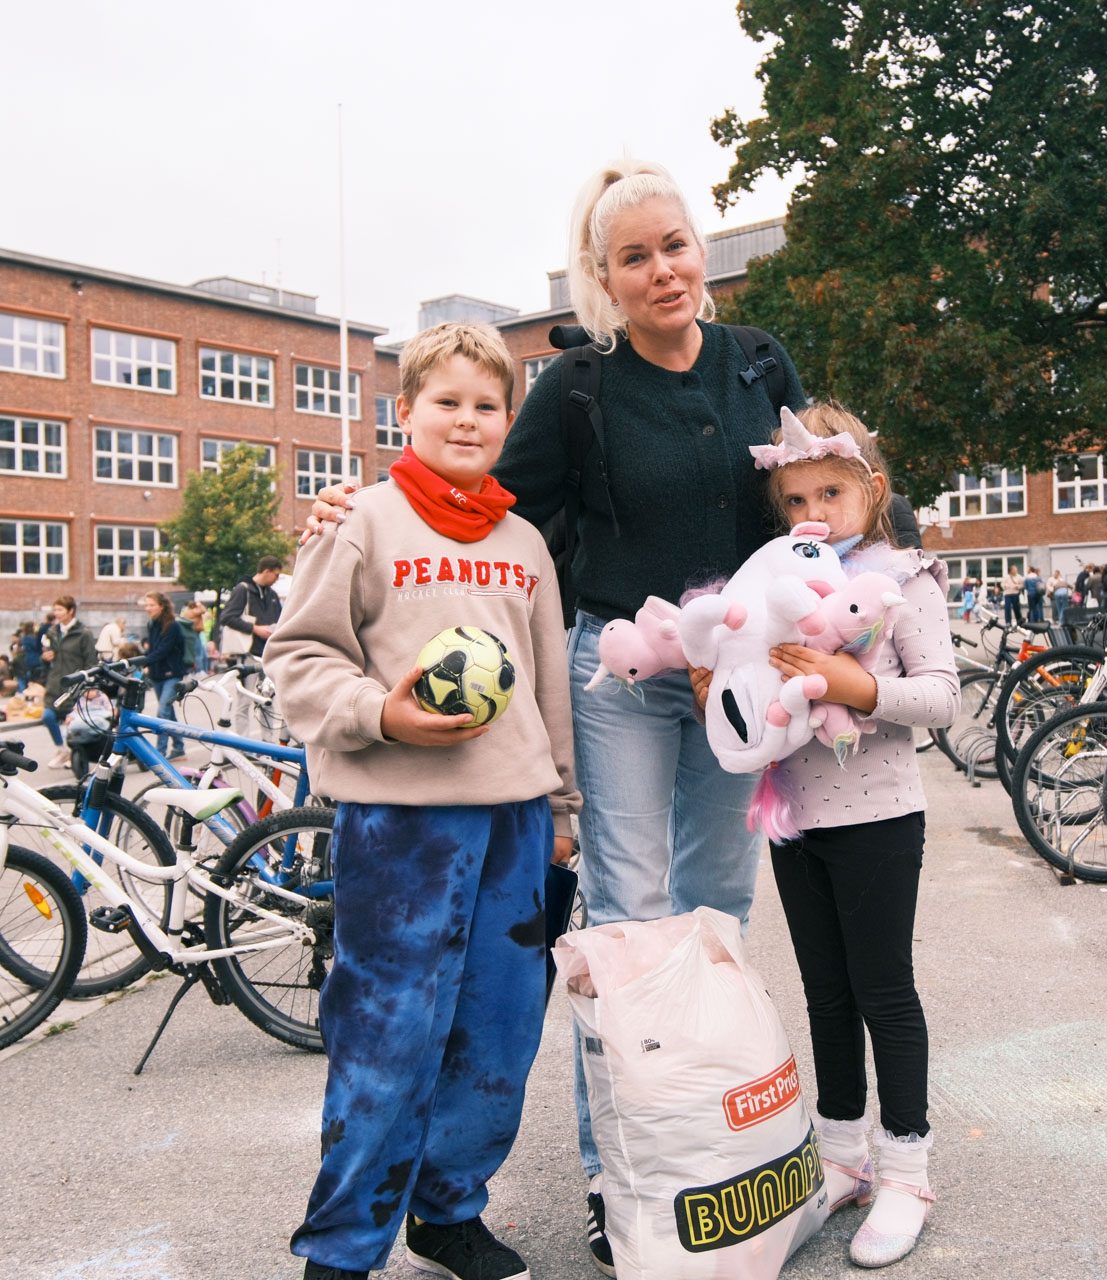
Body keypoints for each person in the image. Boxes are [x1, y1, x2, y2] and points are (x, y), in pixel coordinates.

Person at [301, 159, 812, 1274]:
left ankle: (713, 1144)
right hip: (616, 678)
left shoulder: (761, 363)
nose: (660, 269)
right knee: (626, 922)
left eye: (672, 244)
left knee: (717, 911)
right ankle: (618, 1171)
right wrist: (358, 499)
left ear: (699, 250)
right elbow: (482, 496)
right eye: (632, 256)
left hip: (732, 681)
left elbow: (815, 497)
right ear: (602, 276)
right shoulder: (575, 388)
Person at [266, 322, 579, 1280]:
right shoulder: (358, 523)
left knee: (498, 1030)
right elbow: (297, 659)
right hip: (399, 828)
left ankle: (449, 1211)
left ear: (508, 419)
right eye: (446, 401)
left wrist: (563, 813)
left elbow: (548, 689)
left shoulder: (524, 540)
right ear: (404, 413)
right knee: (387, 1032)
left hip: (515, 824)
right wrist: (381, 714)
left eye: (487, 405)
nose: (467, 419)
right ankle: (345, 1243)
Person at [748, 403, 959, 1268]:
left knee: (882, 992)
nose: (813, 515)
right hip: (796, 819)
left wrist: (855, 686)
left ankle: (906, 1169)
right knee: (825, 995)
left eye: (830, 492)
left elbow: (943, 697)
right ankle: (843, 1158)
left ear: (870, 490)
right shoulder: (779, 585)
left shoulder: (903, 581)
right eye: (794, 500)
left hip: (877, 819)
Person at [217, 555, 283, 738]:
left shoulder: (272, 595)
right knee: (244, 700)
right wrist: (255, 629)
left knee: (267, 700)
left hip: (267, 654)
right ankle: (244, 744)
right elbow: (227, 617)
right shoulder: (243, 590)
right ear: (267, 571)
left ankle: (267, 743)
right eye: (276, 575)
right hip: (249, 653)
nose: (277, 579)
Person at [40, 596, 99, 768]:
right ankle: (61, 750)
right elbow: (45, 657)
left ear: (71, 611)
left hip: (75, 685)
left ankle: (75, 754)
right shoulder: (52, 632)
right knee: (48, 716)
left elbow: (91, 662)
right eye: (55, 610)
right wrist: (45, 657)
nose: (56, 613)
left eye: (60, 610)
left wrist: (91, 686)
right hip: (55, 683)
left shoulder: (84, 634)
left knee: (72, 723)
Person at [137, 592, 188, 760]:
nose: (148, 608)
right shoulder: (152, 624)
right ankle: (179, 748)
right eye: (146, 605)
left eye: (151, 605)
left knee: (163, 712)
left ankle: (159, 753)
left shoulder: (172, 626)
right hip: (157, 675)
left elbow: (163, 650)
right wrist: (144, 661)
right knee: (169, 713)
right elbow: (153, 648)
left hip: (172, 674)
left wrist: (144, 661)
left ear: (162, 606)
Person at [176, 602, 208, 675]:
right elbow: (204, 610)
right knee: (199, 653)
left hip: (193, 633)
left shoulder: (186, 612)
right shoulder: (192, 611)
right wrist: (199, 604)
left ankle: (199, 671)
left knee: (199, 653)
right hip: (195, 633)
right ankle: (199, 671)